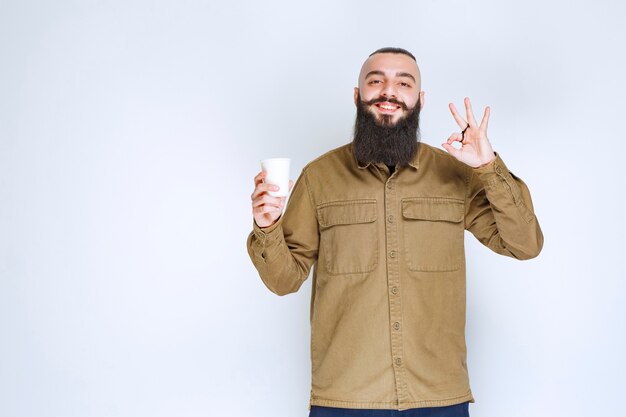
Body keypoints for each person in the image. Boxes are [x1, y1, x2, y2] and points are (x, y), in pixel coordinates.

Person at [247, 47, 543, 417]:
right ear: (358, 96)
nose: (389, 91)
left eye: (404, 83)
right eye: (376, 81)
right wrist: (266, 226)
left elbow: (525, 244)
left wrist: (487, 167)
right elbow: (283, 281)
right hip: (346, 397)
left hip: (438, 396)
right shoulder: (318, 178)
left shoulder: (456, 174)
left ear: (420, 99)